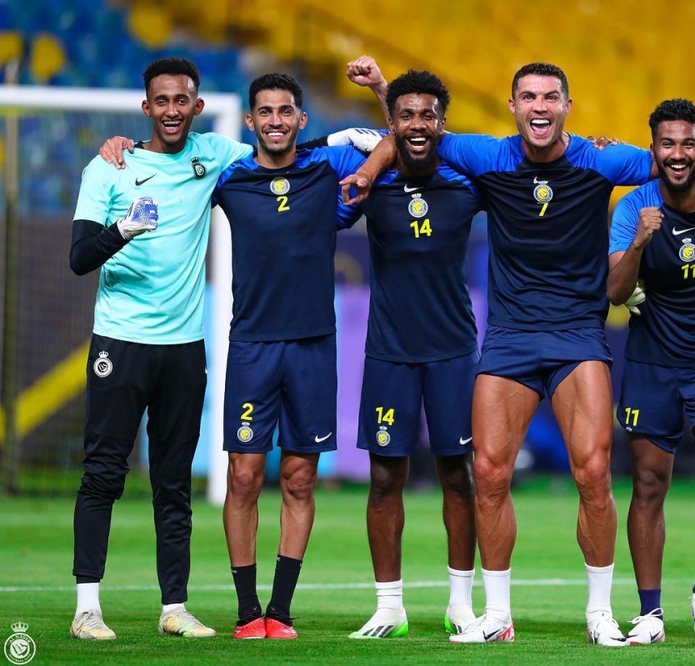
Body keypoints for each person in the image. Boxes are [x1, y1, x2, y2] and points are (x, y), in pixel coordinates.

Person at [343, 62, 695, 646]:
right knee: (487, 472)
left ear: (567, 104)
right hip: (508, 337)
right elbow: (414, 134)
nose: (540, 106)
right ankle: (498, 614)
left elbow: (678, 158)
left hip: (578, 335)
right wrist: (369, 162)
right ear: (512, 105)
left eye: (551, 97)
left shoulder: (599, 159)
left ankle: (600, 612)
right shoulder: (487, 155)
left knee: (592, 474)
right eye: (529, 96)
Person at [68, 57, 252, 640]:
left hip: (183, 347)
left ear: (197, 107)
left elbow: (282, 159)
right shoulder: (109, 168)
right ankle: (86, 608)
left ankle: (174, 607)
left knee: (173, 482)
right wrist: (121, 229)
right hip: (120, 341)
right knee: (104, 473)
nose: (172, 110)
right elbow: (78, 260)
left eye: (183, 101)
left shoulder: (215, 155)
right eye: (161, 101)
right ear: (146, 107)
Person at [213, 73, 367, 640]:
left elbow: (399, 134)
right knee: (243, 476)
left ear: (302, 120)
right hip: (253, 347)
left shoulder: (325, 175)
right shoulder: (231, 182)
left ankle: (280, 611)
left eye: (286, 111)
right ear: (250, 122)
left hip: (313, 349)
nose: (275, 120)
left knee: (300, 480)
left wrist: (359, 119)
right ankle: (246, 611)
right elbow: (177, 163)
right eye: (265, 112)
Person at [339, 58, 478, 640]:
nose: (418, 124)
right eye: (405, 115)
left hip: (451, 351)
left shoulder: (468, 181)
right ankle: (389, 604)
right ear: (390, 123)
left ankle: (461, 604)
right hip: (390, 353)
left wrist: (382, 92)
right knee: (383, 480)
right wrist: (378, 97)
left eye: (428, 114)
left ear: (443, 123)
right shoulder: (373, 183)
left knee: (458, 477)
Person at [607, 99, 695, 645]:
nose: (678, 154)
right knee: (647, 484)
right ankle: (650, 612)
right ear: (653, 150)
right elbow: (616, 294)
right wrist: (641, 239)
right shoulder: (633, 207)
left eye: (688, 144)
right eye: (667, 144)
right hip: (651, 360)